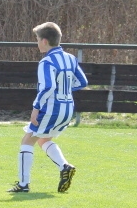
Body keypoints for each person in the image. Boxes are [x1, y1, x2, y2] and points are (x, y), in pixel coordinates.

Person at [8, 22, 88, 194]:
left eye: (37, 39)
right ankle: (64, 167)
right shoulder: (71, 58)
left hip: (52, 108)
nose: (36, 43)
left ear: (44, 41)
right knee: (44, 140)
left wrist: (36, 108)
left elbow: (47, 88)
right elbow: (82, 82)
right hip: (68, 109)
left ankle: (23, 184)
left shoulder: (47, 62)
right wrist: (65, 91)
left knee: (27, 140)